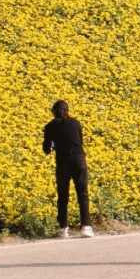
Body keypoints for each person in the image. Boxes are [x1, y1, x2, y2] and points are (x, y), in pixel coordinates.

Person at [42, 100, 93, 239]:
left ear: (54, 112)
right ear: (67, 110)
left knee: (63, 195)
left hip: (63, 162)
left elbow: (46, 149)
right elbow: (80, 142)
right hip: (79, 160)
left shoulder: (50, 127)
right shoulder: (76, 123)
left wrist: (52, 146)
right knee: (82, 193)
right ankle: (86, 226)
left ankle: (63, 228)